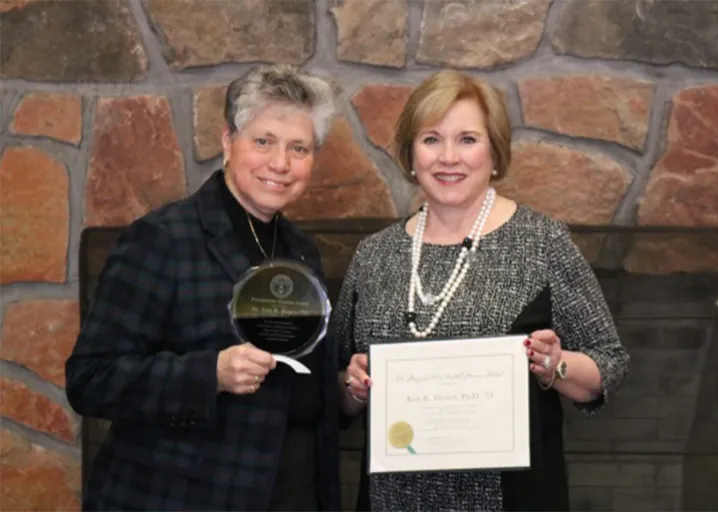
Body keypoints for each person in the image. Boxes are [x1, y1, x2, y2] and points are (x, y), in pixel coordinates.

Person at [332, 70, 630, 511]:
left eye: (467, 139)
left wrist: (555, 366)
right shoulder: (373, 256)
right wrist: (352, 386)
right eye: (431, 139)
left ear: (494, 152)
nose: (448, 157)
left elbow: (609, 365)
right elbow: (337, 387)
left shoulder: (542, 243)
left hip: (511, 499)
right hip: (392, 499)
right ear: (411, 155)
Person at [66, 65, 341, 511]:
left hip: (293, 491)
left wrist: (346, 389)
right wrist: (209, 373)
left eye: (299, 148)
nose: (280, 164)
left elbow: (301, 381)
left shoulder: (302, 251)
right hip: (182, 498)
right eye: (263, 141)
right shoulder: (162, 239)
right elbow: (90, 380)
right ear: (228, 142)